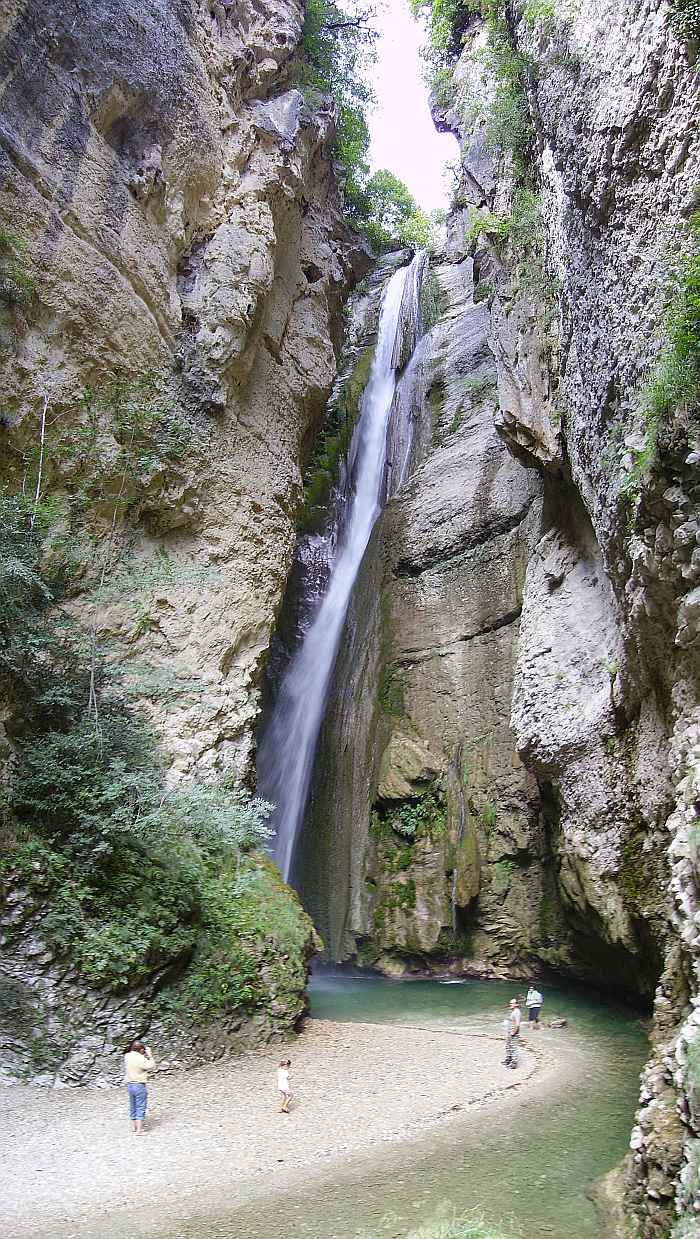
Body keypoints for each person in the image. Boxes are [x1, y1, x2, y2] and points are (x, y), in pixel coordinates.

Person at [124, 1039, 156, 1134]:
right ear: (141, 1050)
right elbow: (152, 1066)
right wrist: (150, 1055)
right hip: (139, 1085)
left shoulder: (127, 1056)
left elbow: (133, 1054)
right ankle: (139, 1130)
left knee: (133, 1106)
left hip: (130, 1085)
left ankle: (134, 1127)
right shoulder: (141, 1059)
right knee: (141, 1106)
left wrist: (142, 1053)